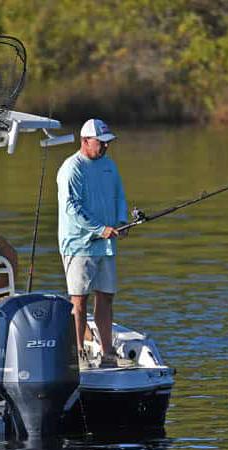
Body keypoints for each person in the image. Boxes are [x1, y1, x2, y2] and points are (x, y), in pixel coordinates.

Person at [56, 118, 128, 367]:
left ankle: (108, 352)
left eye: (107, 143)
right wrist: (99, 229)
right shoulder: (71, 168)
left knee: (106, 296)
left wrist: (121, 221)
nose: (105, 147)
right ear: (85, 141)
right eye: (101, 142)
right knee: (79, 300)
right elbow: (72, 208)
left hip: (106, 244)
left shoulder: (110, 166)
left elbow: (119, 196)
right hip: (79, 245)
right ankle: (79, 353)